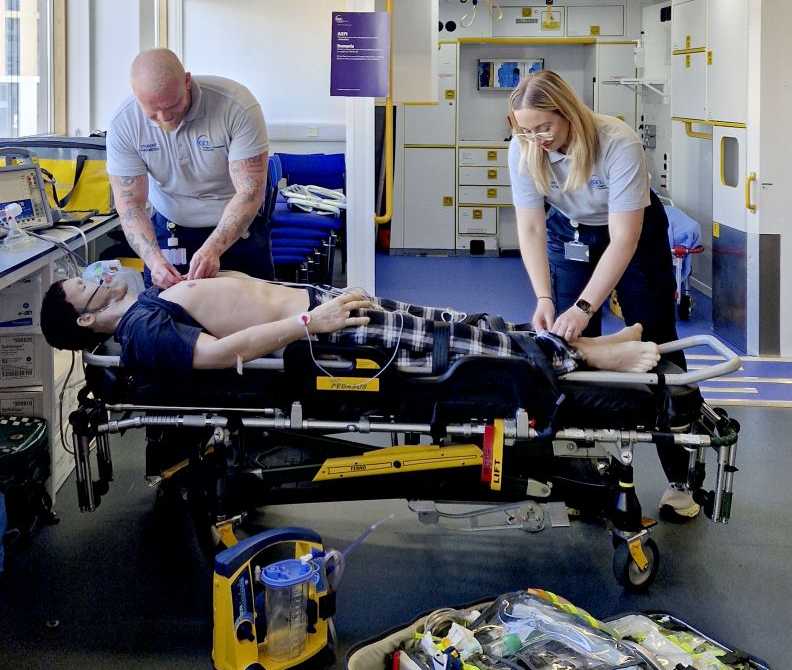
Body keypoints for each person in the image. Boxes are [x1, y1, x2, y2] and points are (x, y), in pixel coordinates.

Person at [507, 69, 697, 520]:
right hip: (568, 233)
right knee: (571, 346)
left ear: (568, 112)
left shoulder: (618, 142)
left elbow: (624, 239)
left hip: (634, 236)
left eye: (544, 128)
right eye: (526, 130)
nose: (536, 139)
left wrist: (586, 304)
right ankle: (589, 475)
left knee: (656, 340)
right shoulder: (525, 148)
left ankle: (681, 479)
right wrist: (545, 299)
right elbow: (531, 226)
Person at [39, 273, 662, 388]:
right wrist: (312, 320)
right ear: (88, 319)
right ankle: (587, 360)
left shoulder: (149, 297)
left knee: (458, 324)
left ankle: (585, 344)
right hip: (323, 332)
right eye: (81, 287)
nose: (92, 276)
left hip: (323, 308)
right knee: (468, 352)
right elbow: (222, 353)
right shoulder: (143, 330)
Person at [106, 49, 273, 290]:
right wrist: (154, 261)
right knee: (166, 316)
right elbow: (130, 205)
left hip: (237, 230)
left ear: (187, 81)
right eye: (152, 112)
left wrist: (213, 248)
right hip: (172, 228)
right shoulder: (124, 123)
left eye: (172, 105)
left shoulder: (235, 105)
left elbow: (250, 191)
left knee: (256, 313)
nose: (164, 118)